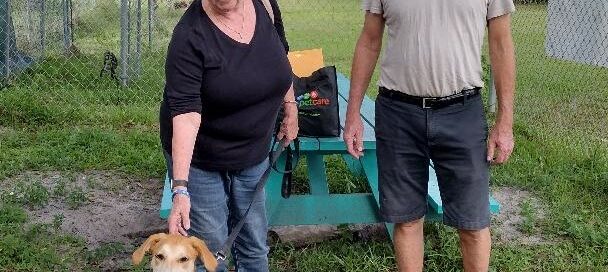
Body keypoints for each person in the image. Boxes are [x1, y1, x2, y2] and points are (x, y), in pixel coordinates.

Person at [344, 0, 516, 271]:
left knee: (472, 223)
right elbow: (369, 40)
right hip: (398, 113)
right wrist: (352, 113)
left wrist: (505, 122)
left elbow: (501, 44)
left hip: (462, 113)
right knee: (407, 219)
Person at [159, 0, 297, 271]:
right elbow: (186, 116)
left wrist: (290, 108)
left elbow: (281, 60)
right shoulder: (189, 35)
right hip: (202, 158)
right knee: (210, 251)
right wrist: (181, 189)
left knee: (254, 245)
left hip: (254, 150)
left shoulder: (265, 6)